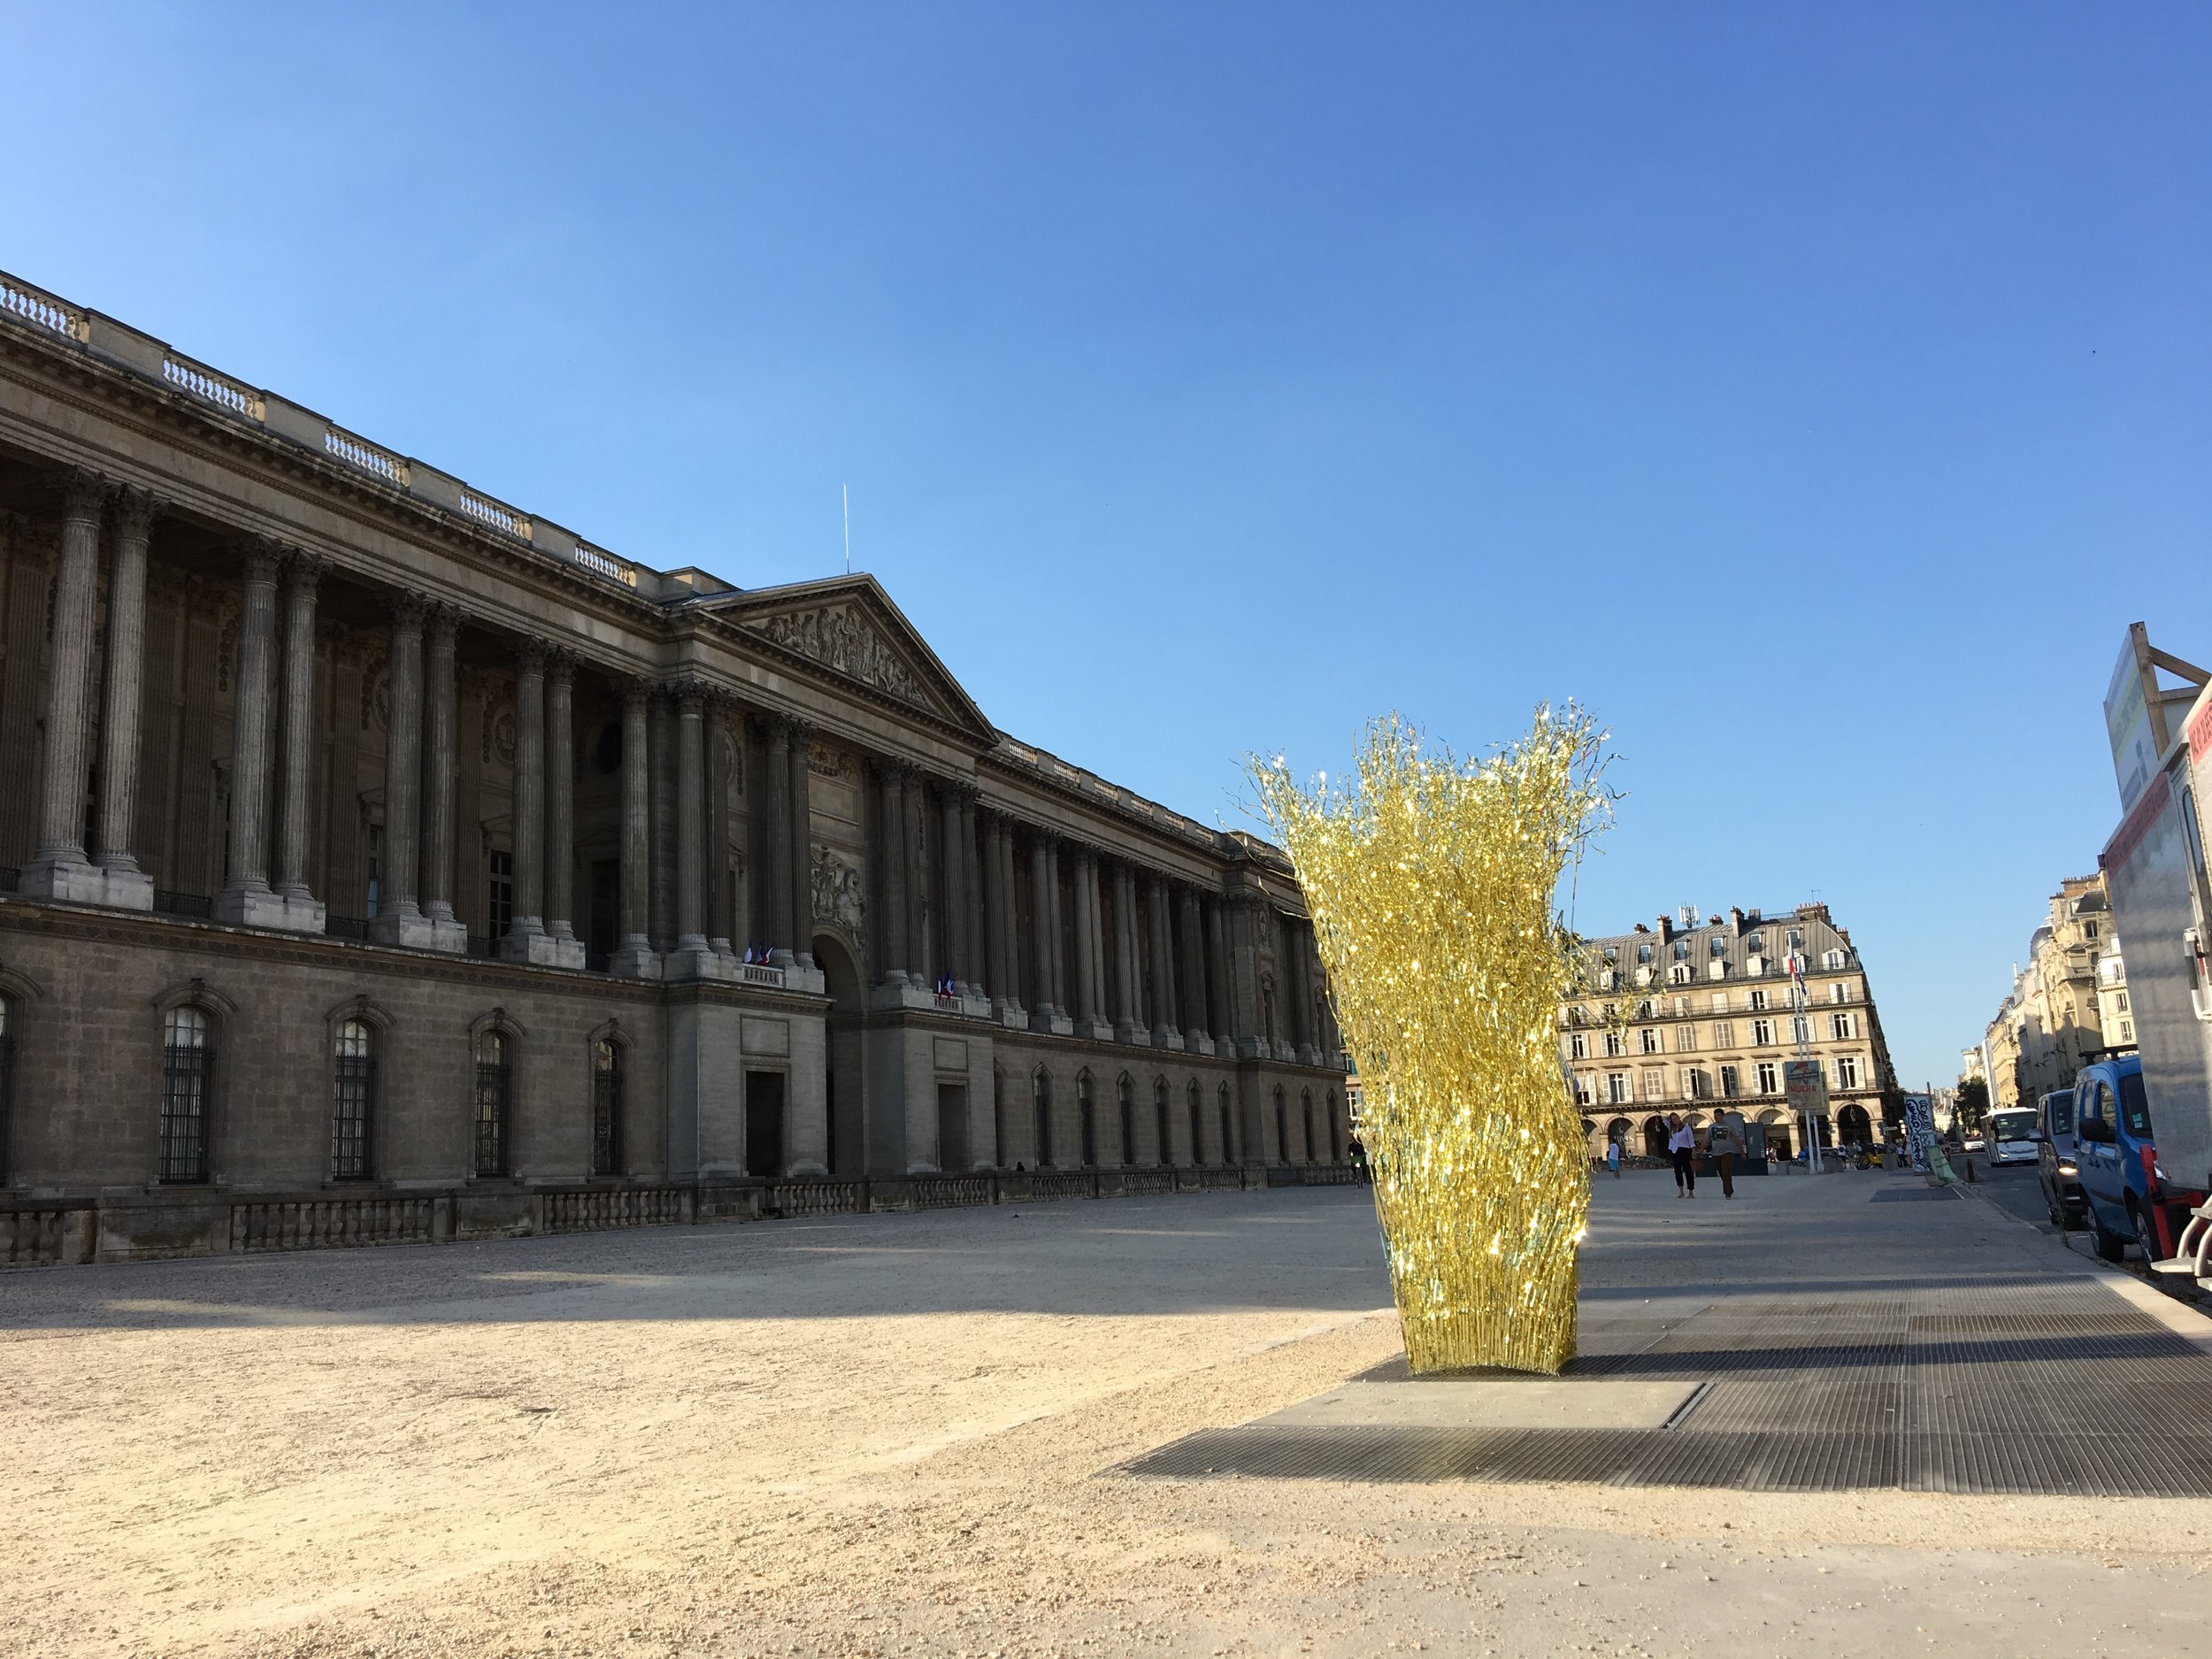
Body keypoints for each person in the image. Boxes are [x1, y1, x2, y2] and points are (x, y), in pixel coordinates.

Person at [1709, 1110, 1744, 1199]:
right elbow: (1706, 1138)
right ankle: (1729, 1188)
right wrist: (1701, 1149)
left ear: (1723, 1116)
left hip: (1727, 1152)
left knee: (1726, 1172)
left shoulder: (1729, 1126)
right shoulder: (1711, 1127)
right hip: (1716, 1153)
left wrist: (1742, 1152)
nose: (1716, 1117)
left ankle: (1727, 1192)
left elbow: (1737, 1139)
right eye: (1715, 1115)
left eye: (1718, 1115)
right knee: (1721, 1173)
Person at [1666, 1113, 1696, 1197]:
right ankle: (1681, 1190)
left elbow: (1691, 1140)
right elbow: (1664, 1120)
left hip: (1686, 1150)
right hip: (1675, 1150)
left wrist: (1693, 1150)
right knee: (1677, 1171)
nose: (1676, 1120)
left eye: (1676, 1118)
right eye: (1673, 1119)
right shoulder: (1672, 1129)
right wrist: (1668, 1118)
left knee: (1688, 1171)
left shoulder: (1686, 1128)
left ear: (1680, 1118)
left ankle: (1691, 1191)